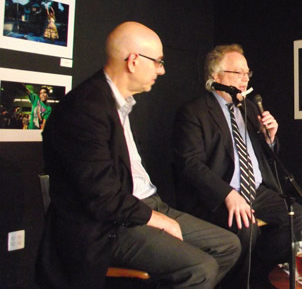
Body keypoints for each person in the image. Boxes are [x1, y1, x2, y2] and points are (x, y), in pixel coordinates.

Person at [35, 21, 240, 289]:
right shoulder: (84, 109)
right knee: (200, 267)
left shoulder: (118, 104)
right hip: (107, 226)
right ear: (133, 61)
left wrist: (157, 214)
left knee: (229, 245)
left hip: (146, 204)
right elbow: (102, 198)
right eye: (158, 61)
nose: (162, 70)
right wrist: (158, 220)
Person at [173, 44, 302, 288]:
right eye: (238, 73)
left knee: (298, 216)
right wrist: (228, 194)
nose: (245, 79)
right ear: (216, 76)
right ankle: (239, 281)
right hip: (219, 193)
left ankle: (255, 269)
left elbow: (263, 155)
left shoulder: (246, 108)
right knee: (245, 227)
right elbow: (190, 164)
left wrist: (270, 138)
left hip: (255, 190)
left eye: (247, 73)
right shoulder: (194, 112)